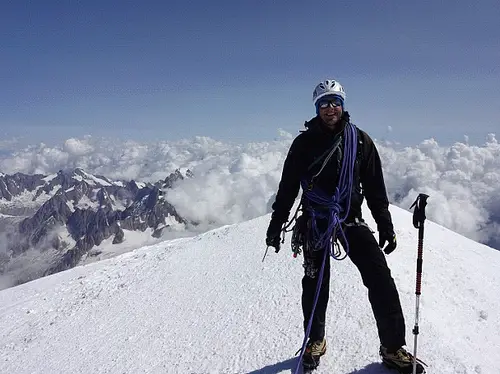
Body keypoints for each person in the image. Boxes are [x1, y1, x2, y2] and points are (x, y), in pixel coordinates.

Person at [265, 79, 425, 373]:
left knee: (380, 278)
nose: (330, 109)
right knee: (314, 283)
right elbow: (288, 187)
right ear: (317, 108)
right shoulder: (303, 144)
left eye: (335, 102)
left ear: (343, 105)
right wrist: (276, 224)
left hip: (350, 219)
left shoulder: (360, 141)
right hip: (316, 220)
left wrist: (385, 226)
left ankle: (392, 347)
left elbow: (375, 188)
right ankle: (315, 340)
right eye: (324, 103)